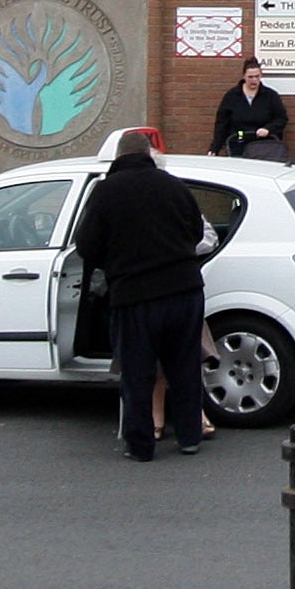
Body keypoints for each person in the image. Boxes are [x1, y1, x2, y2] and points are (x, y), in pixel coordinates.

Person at [71, 129, 213, 460]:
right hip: (185, 290)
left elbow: (86, 246)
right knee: (184, 368)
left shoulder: (106, 192)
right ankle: (190, 437)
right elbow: (195, 233)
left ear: (119, 157)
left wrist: (114, 262)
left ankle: (141, 445)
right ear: (148, 155)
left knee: (138, 374)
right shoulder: (174, 186)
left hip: (135, 295)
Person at [210, 57, 289, 162]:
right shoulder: (232, 96)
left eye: (257, 76)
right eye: (250, 77)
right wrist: (215, 148)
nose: (254, 80)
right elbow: (222, 124)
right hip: (238, 145)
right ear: (244, 76)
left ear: (261, 75)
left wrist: (268, 129)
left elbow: (282, 118)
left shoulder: (270, 96)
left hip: (264, 146)